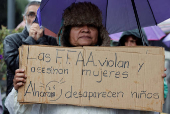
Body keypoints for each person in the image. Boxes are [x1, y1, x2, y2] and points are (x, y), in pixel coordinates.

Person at [5, 2, 166, 114]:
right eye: (78, 25)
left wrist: (150, 84)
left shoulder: (119, 66)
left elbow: (139, 110)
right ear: (67, 32)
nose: (85, 29)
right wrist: (19, 88)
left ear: (99, 32)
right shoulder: (46, 64)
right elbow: (18, 111)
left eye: (91, 25)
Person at [3, 1, 58, 97]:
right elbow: (16, 66)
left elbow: (52, 68)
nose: (35, 20)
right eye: (31, 15)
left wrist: (41, 40)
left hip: (46, 101)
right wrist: (31, 39)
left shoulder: (53, 42)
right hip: (17, 102)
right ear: (25, 18)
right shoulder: (11, 40)